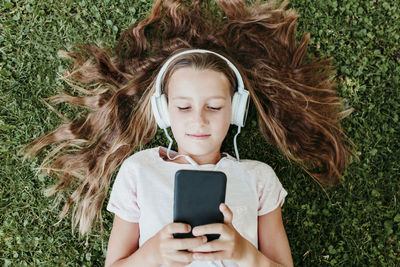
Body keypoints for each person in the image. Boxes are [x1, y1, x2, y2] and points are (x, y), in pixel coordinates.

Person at [21, 0, 355, 266]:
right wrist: (153, 254)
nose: (200, 120)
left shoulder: (258, 178)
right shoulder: (139, 171)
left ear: (236, 112)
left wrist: (244, 254)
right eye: (183, 107)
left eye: (214, 106)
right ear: (163, 111)